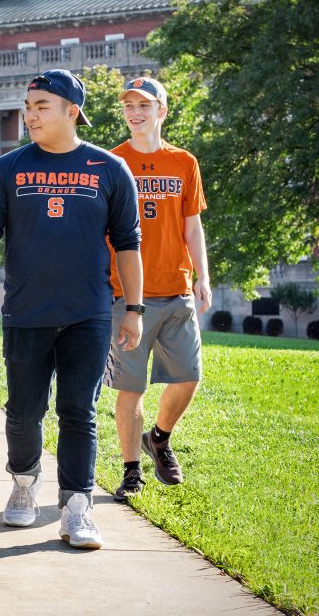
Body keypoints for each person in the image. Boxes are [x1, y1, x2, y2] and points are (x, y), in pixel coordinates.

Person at [0, 68, 143, 550]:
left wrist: (134, 308)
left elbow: (128, 243)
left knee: (78, 411)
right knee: (25, 411)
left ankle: (77, 505)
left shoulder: (108, 169)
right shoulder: (9, 168)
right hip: (26, 313)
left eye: (41, 107)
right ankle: (24, 484)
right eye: (27, 109)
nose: (30, 116)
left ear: (72, 112)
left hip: (88, 313)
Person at [104, 76, 211, 501]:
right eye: (129, 106)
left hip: (177, 289)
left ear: (162, 112)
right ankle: (132, 472)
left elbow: (193, 225)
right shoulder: (111, 162)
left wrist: (203, 276)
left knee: (188, 378)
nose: (135, 112)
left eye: (144, 105)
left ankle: (159, 438)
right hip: (128, 296)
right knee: (130, 390)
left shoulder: (185, 162)